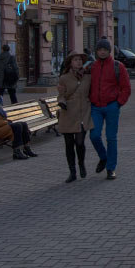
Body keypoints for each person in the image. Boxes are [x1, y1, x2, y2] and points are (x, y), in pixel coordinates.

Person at [88, 38, 130, 180]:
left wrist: (118, 103)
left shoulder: (118, 66)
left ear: (109, 51)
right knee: (94, 135)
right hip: (96, 107)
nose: (102, 52)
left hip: (112, 106)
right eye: (100, 50)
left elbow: (126, 88)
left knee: (111, 138)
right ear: (96, 51)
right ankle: (103, 157)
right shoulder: (92, 67)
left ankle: (111, 168)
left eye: (105, 50)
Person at [56, 52, 92, 182]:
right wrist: (62, 102)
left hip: (83, 113)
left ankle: (81, 164)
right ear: (70, 62)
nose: (78, 62)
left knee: (80, 142)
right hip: (68, 113)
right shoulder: (64, 78)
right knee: (69, 144)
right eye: (76, 60)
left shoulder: (88, 77)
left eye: (80, 60)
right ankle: (72, 171)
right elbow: (61, 94)